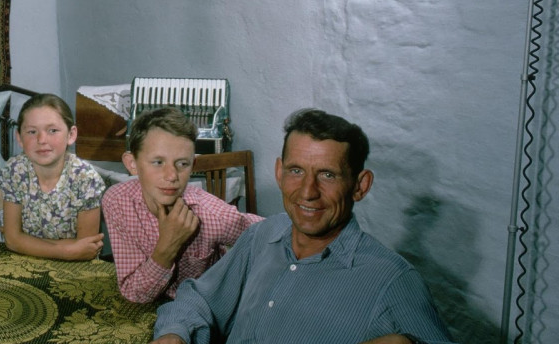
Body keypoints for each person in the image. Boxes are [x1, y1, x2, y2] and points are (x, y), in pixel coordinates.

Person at [150, 108, 457, 344]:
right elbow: (200, 298)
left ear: (359, 186)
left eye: (327, 175)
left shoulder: (393, 281)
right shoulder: (262, 236)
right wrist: (174, 334)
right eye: (296, 171)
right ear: (279, 172)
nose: (308, 192)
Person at [101, 107, 262, 303]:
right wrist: (168, 246)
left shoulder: (209, 213)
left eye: (182, 164)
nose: (172, 176)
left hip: (205, 303)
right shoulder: (117, 202)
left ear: (193, 165)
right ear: (132, 163)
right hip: (154, 303)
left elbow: (272, 232)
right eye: (158, 162)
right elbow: (134, 292)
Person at [0, 93, 107, 260]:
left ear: (71, 135)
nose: (41, 140)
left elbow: (86, 248)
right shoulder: (15, 171)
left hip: (75, 266)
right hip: (24, 260)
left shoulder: (86, 178)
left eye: (52, 130)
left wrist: (23, 241)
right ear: (19, 137)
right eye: (32, 131)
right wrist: (65, 250)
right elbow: (12, 241)